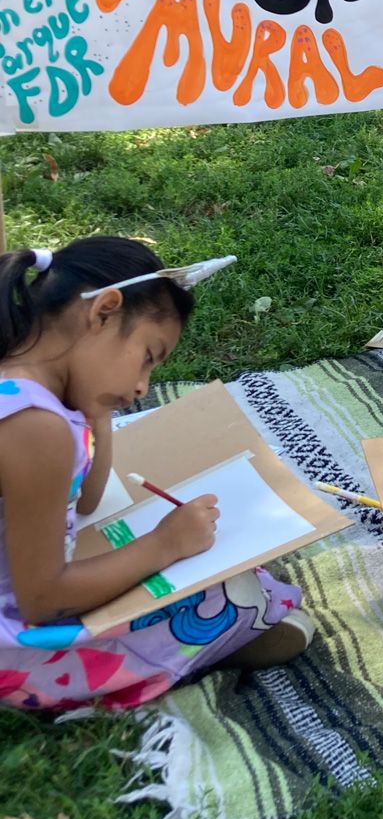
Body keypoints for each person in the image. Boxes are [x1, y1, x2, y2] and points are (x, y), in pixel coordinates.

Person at [0, 237, 312, 711]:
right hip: (15, 636)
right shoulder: (35, 428)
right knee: (229, 597)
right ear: (103, 312)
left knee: (229, 582)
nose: (142, 387)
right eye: (148, 356)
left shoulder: (32, 387)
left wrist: (97, 410)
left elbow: (84, 500)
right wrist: (163, 545)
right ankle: (209, 644)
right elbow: (42, 600)